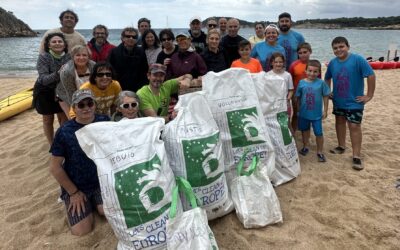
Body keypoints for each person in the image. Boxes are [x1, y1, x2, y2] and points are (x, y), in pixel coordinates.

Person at [49, 89, 109, 236]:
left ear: (95, 105)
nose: (86, 108)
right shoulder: (64, 131)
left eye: (90, 103)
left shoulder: (105, 121)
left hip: (100, 182)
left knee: (105, 212)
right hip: (76, 185)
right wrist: (74, 193)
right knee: (82, 231)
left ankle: (96, 203)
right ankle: (75, 200)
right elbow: (55, 167)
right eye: (81, 105)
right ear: (74, 108)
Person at [324, 36, 375, 170]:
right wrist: (328, 91)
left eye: (341, 46)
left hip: (355, 101)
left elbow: (370, 75)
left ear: (348, 46)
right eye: (335, 48)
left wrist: (369, 95)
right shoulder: (333, 63)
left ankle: (356, 156)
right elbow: (327, 77)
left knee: (354, 126)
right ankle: (341, 146)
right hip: (338, 100)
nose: (338, 50)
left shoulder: (358, 59)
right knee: (339, 122)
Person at [33, 32, 70, 145]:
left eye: (60, 41)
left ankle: (62, 141)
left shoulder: (68, 56)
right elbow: (43, 79)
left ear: (64, 45)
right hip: (45, 91)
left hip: (62, 91)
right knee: (48, 120)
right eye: (54, 42)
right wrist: (59, 73)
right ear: (49, 45)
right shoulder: (44, 57)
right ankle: (51, 144)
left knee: (63, 119)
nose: (57, 43)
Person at [295, 60, 331, 163]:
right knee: (304, 130)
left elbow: (325, 96)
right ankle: (305, 146)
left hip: (316, 115)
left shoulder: (321, 83)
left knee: (319, 133)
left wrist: (325, 110)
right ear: (306, 71)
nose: (312, 73)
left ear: (319, 72)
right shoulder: (301, 83)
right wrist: (297, 110)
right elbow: (297, 97)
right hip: (303, 113)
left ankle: (320, 151)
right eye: (310, 71)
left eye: (315, 71)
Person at [58, 45, 96, 118]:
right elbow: (70, 94)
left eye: (84, 55)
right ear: (73, 57)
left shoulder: (93, 66)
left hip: (87, 94)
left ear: (88, 57)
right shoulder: (67, 71)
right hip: (66, 95)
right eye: (78, 55)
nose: (81, 58)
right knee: (73, 118)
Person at [107, 27, 148, 91]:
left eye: (134, 37)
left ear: (136, 39)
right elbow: (109, 71)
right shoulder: (114, 52)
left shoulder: (141, 51)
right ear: (122, 38)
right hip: (119, 87)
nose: (131, 38)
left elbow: (144, 70)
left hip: (138, 88)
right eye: (128, 36)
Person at [289, 42, 313, 132]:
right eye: (300, 53)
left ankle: (306, 132)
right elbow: (289, 81)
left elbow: (318, 80)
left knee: (308, 114)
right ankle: (293, 132)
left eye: (305, 52)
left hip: (310, 93)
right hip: (297, 94)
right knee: (296, 113)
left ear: (310, 52)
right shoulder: (294, 65)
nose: (302, 55)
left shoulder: (314, 65)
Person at [267, 52, 294, 119]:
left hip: (284, 103)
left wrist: (288, 98)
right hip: (272, 103)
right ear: (271, 63)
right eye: (276, 62)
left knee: (286, 122)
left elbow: (291, 90)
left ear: (283, 63)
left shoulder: (287, 75)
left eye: (280, 62)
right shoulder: (267, 75)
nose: (278, 64)